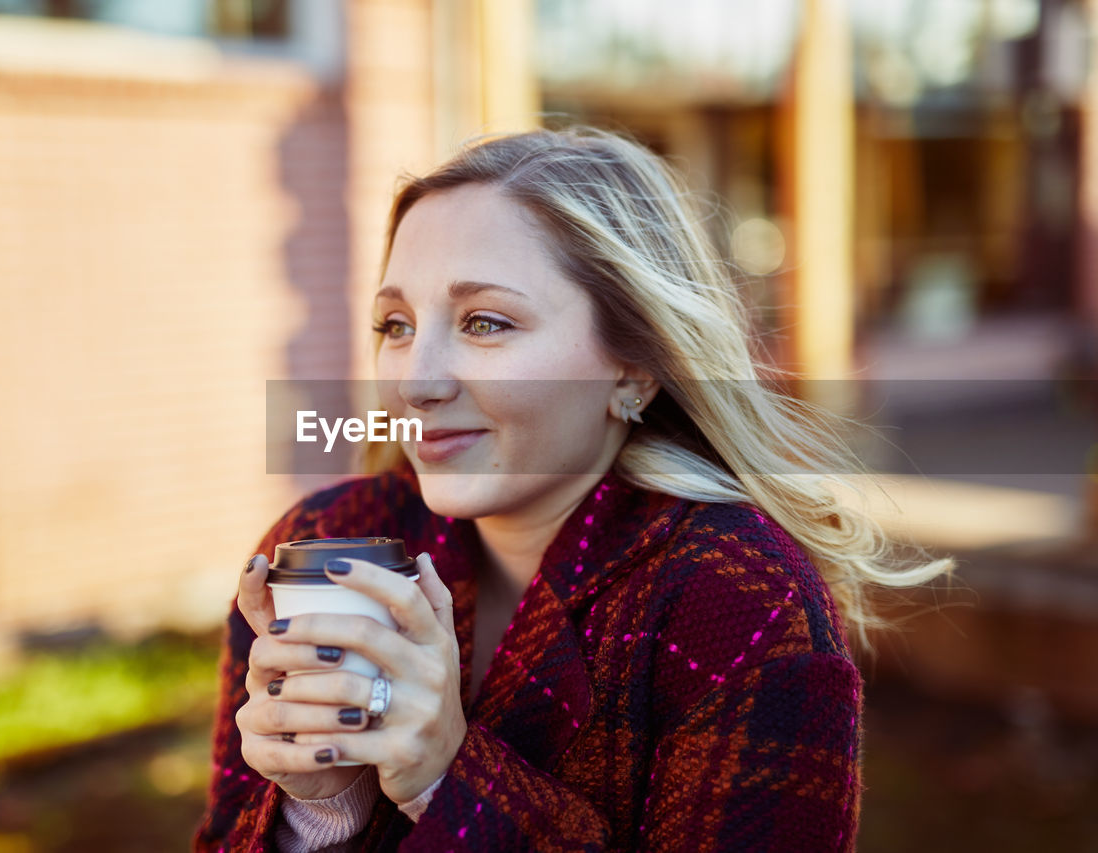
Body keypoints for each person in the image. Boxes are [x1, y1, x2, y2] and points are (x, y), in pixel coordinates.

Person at [192, 127, 953, 852]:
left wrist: (445, 777)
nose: (415, 381)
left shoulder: (737, 599)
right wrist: (322, 809)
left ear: (634, 367)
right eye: (395, 324)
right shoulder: (327, 546)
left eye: (485, 322)